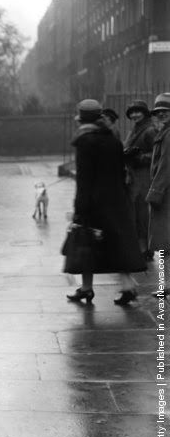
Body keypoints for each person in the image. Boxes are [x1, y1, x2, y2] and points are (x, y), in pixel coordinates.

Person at [65, 99, 146, 305]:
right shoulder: (112, 138)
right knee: (116, 243)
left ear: (81, 119)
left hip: (94, 202)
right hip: (116, 199)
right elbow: (120, 170)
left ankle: (87, 288)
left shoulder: (85, 141)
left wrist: (79, 208)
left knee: (86, 243)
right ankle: (126, 286)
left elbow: (84, 180)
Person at [123, 99, 157, 260]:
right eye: (132, 112)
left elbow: (158, 154)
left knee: (142, 213)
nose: (134, 115)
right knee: (136, 212)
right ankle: (141, 247)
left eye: (138, 111)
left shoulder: (150, 130)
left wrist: (140, 157)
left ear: (145, 113)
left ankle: (146, 250)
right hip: (134, 176)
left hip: (144, 177)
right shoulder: (136, 129)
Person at [147, 93, 170, 297]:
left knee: (164, 242)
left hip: (166, 194)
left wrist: (155, 192)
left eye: (165, 112)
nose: (161, 115)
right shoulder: (163, 133)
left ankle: (166, 285)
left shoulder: (168, 135)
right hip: (165, 193)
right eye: (158, 112)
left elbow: (165, 167)